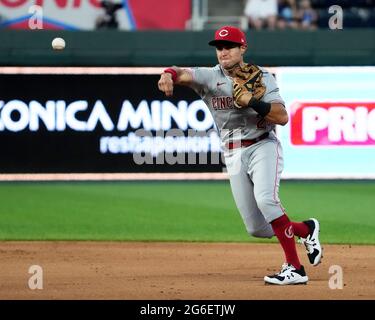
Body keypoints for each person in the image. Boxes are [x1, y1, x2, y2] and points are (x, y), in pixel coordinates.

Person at [158, 26, 323, 285]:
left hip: (262, 145)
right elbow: (182, 73)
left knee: (267, 201)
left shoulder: (262, 78)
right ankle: (305, 229)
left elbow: (282, 117)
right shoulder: (209, 77)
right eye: (219, 48)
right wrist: (168, 74)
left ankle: (295, 269)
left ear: (242, 48)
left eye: (229, 46)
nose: (223, 52)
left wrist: (252, 101)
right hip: (233, 153)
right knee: (256, 228)